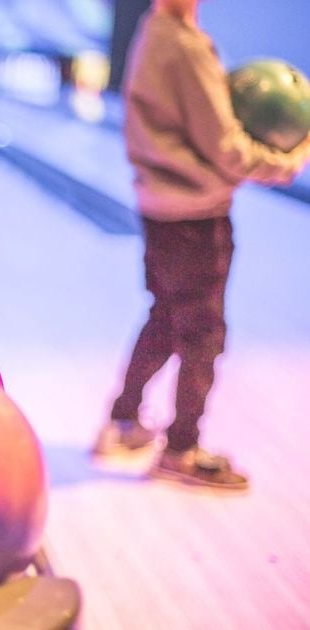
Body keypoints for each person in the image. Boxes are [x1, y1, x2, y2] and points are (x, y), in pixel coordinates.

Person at [92, 0, 309, 489]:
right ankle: (183, 451)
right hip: (195, 216)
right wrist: (294, 155)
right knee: (202, 336)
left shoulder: (155, 29)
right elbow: (230, 151)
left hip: (160, 208)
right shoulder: (184, 46)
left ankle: (122, 421)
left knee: (166, 316)